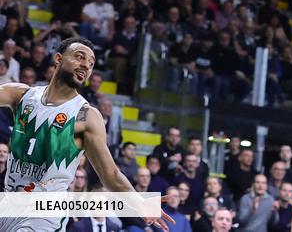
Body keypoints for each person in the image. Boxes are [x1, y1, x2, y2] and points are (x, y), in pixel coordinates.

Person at [0, 38, 172, 232]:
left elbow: (110, 174)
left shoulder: (86, 115)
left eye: (91, 63)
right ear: (58, 58)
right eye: (79, 57)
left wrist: (140, 203)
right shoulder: (22, 95)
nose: (86, 65)